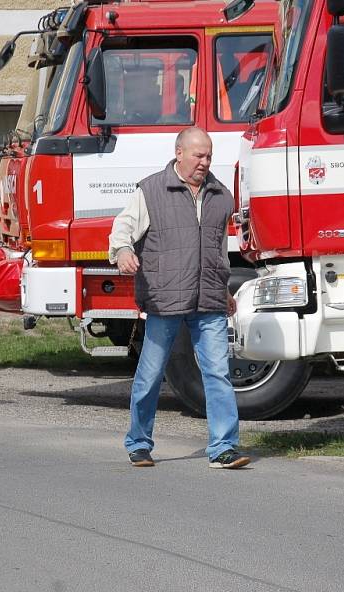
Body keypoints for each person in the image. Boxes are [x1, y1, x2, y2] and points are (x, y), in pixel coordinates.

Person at [109, 127, 250, 469]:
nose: (205, 162)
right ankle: (139, 443)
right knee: (151, 373)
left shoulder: (221, 195)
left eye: (209, 156)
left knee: (217, 372)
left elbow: (217, 251)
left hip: (209, 301)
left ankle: (223, 447)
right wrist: (124, 251)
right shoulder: (152, 190)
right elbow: (122, 228)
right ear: (179, 152)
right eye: (198, 155)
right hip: (165, 298)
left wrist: (225, 289)